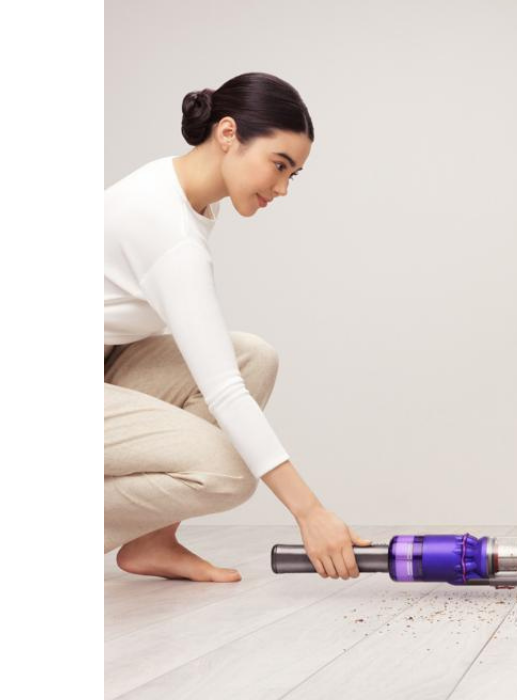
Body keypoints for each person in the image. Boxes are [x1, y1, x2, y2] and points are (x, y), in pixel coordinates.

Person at [104, 72, 368, 583]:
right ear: (228, 133)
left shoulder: (183, 193)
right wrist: (310, 513)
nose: (283, 187)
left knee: (254, 357)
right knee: (225, 472)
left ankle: (150, 540)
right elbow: (222, 391)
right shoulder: (167, 229)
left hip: (107, 363)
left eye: (293, 174)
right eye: (279, 165)